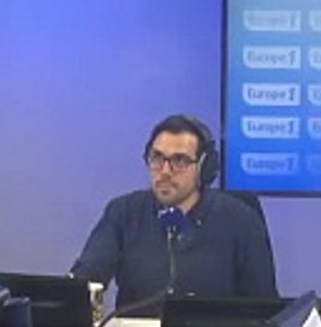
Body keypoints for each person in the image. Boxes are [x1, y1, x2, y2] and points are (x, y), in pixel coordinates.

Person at [69, 114, 278, 315]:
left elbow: (263, 309)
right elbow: (86, 279)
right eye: (157, 158)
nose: (165, 171)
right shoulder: (123, 212)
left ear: (204, 168)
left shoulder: (240, 220)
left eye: (179, 161)